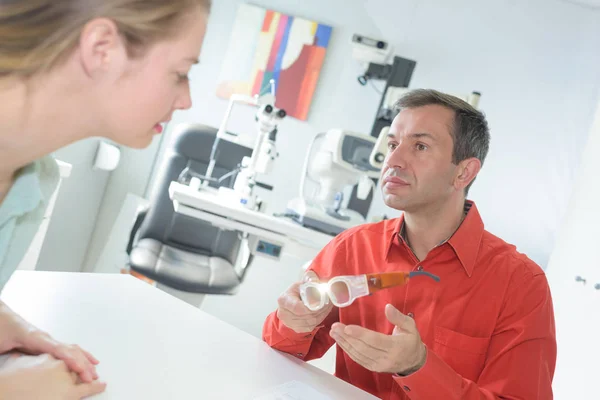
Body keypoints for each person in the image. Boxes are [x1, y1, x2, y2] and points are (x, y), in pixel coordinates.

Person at [263, 89, 557, 399]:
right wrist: (293, 321)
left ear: (463, 172)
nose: (393, 160)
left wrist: (418, 367)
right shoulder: (351, 247)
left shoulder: (521, 285)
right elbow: (279, 351)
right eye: (392, 144)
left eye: (419, 146)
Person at [0, 0, 210, 398]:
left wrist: (13, 326)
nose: (186, 100)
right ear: (102, 48)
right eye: (180, 73)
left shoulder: (31, 179)